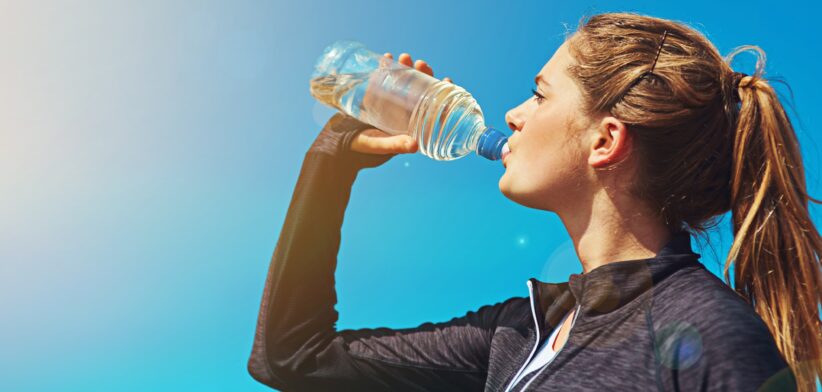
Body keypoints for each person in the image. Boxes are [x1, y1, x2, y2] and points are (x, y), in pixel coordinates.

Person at [247, 12, 821, 391]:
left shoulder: (711, 333)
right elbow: (292, 359)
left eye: (539, 95)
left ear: (605, 140)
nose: (514, 116)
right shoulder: (518, 334)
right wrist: (332, 160)